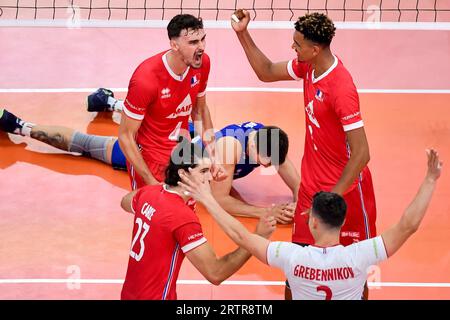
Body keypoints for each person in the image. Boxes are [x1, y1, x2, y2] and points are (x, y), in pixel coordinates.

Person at [232, 11, 376, 298]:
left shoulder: (341, 88)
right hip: (311, 187)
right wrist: (242, 33)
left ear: (315, 49)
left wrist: (330, 201)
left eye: (297, 45)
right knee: (295, 272)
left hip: (344, 193)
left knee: (355, 276)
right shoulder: (308, 67)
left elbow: (361, 154)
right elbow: (267, 71)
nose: (293, 49)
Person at [178, 148, 443, 300]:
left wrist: (208, 198)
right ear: (340, 223)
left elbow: (240, 235)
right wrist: (430, 179)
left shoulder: (292, 256)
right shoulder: (359, 254)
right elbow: (408, 225)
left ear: (313, 223)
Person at [0, 107, 298, 223]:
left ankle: (111, 102)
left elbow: (291, 175)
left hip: (196, 141)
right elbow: (219, 201)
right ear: (255, 148)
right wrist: (265, 212)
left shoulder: (269, 139)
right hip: (169, 156)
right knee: (90, 146)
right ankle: (20, 125)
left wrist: (301, 198)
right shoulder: (232, 149)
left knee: (167, 119)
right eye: (265, 161)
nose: (268, 165)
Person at [120, 141, 276, 299]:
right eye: (203, 171)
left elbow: (125, 202)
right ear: (183, 174)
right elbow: (216, 272)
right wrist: (257, 237)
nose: (209, 177)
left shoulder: (148, 193)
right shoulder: (183, 218)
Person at [117, 14, 222, 190]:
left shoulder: (203, 63)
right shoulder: (146, 80)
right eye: (193, 42)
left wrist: (214, 156)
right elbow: (125, 137)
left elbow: (200, 110)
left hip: (181, 158)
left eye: (203, 39)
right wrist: (151, 182)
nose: (201, 47)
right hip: (149, 160)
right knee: (150, 214)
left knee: (184, 214)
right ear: (174, 45)